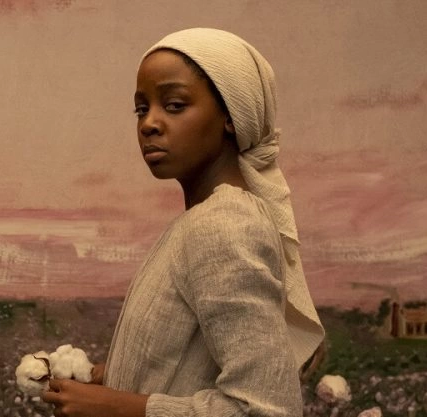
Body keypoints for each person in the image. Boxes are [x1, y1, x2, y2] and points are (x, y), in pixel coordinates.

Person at [41, 28, 325, 417]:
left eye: (174, 105)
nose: (149, 124)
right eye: (142, 109)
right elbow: (195, 362)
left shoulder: (225, 225)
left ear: (231, 116)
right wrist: (114, 376)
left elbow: (266, 410)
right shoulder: (200, 221)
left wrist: (115, 406)